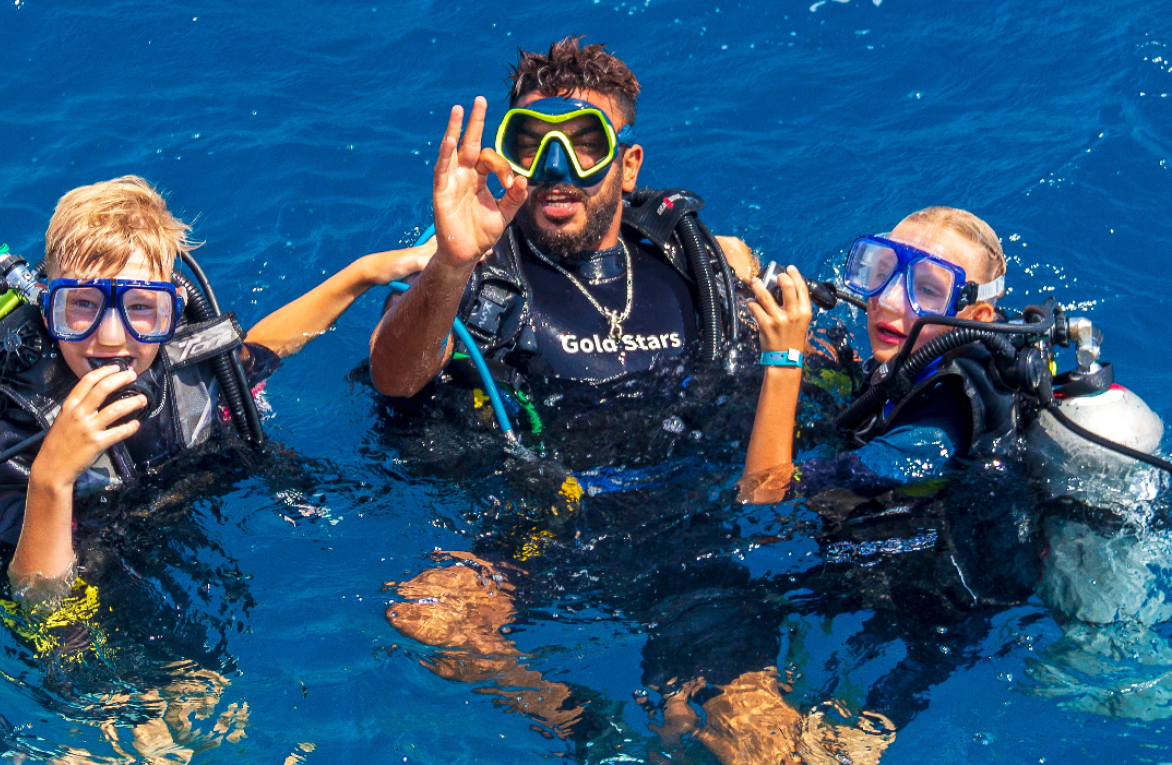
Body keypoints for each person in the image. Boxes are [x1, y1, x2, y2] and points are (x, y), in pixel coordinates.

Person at [0, 175, 433, 606]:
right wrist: (52, 475)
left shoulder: (184, 366)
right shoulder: (23, 418)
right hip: (92, 567)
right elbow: (37, 600)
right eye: (81, 305)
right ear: (49, 309)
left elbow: (263, 348)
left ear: (172, 310)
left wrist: (366, 271)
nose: (112, 337)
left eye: (142, 308)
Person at [369, 37, 758, 405]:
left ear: (628, 166)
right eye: (532, 145)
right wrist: (451, 266)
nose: (555, 169)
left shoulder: (690, 265)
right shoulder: (475, 273)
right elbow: (394, 380)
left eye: (587, 145)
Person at [740, 206, 1012, 502]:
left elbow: (762, 496)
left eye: (928, 291)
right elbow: (868, 389)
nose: (889, 300)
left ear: (977, 317)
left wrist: (784, 358)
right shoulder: (927, 356)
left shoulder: (931, 437)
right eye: (883, 272)